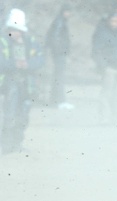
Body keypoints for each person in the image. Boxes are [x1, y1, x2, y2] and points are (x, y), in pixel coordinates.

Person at [0, 8, 44, 154]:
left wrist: (28, 65)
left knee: (23, 115)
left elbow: (40, 59)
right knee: (10, 115)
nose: (15, 33)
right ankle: (6, 145)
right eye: (13, 29)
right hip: (9, 84)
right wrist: (14, 64)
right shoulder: (2, 42)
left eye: (18, 30)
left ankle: (17, 143)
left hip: (26, 85)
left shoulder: (30, 42)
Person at [92, 13, 117, 125]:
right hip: (109, 67)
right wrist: (103, 66)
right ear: (108, 21)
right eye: (112, 21)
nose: (114, 24)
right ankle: (104, 118)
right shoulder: (102, 33)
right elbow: (97, 51)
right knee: (106, 94)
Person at [45, 4, 73, 110]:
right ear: (64, 12)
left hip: (58, 54)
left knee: (57, 77)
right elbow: (56, 38)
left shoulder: (59, 21)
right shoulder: (60, 22)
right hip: (59, 54)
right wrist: (61, 52)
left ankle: (54, 100)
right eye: (68, 11)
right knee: (59, 77)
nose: (70, 14)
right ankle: (61, 101)